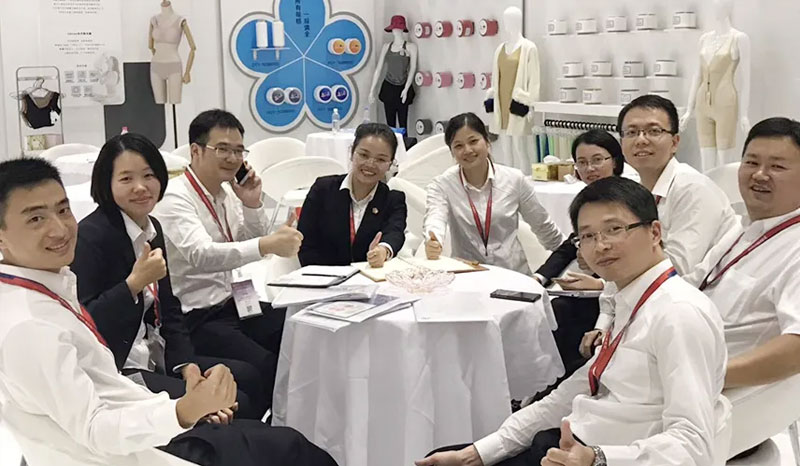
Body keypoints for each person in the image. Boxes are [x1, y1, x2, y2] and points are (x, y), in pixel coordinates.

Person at [0, 158, 337, 466]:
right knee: (290, 449)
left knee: (268, 417)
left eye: (63, 210)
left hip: (138, 409)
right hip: (121, 449)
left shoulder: (52, 281)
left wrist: (181, 400)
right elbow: (94, 426)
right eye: (35, 219)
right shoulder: (31, 323)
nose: (59, 229)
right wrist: (181, 411)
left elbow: (116, 372)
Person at [415, 177, 726, 466]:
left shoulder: (678, 314)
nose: (601, 245)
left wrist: (597, 458)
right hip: (573, 442)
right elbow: (572, 392)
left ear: (655, 232)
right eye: (588, 236)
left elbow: (694, 444)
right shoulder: (630, 300)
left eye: (614, 229)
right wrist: (478, 454)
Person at [71, 133, 266, 419]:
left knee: (247, 378)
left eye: (148, 176)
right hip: (121, 368)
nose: (140, 187)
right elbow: (86, 322)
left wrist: (187, 366)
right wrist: (133, 284)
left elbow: (169, 308)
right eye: (126, 179)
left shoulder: (152, 228)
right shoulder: (90, 237)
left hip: (158, 353)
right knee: (234, 403)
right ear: (106, 183)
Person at [152, 109, 303, 408]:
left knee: (295, 327)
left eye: (238, 151)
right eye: (222, 149)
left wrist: (251, 203)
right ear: (195, 151)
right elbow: (202, 254)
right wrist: (267, 244)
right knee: (264, 364)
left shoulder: (227, 192)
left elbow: (248, 239)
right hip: (195, 316)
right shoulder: (175, 196)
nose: (233, 158)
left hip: (234, 301)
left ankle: (297, 412)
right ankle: (271, 425)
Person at [571, 95, 739, 358]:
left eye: (653, 131)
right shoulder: (634, 192)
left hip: (694, 315)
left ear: (675, 142)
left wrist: (616, 326)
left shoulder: (693, 190)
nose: (641, 140)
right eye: (631, 132)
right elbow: (627, 264)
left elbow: (676, 270)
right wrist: (604, 324)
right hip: (649, 306)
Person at [684, 117, 800, 389]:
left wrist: (705, 379)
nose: (759, 174)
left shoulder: (795, 248)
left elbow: (796, 347)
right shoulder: (742, 228)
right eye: (751, 162)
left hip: (716, 390)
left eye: (777, 166)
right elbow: (694, 282)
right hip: (677, 359)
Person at [531, 129, 624, 374]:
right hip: (589, 288)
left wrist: (599, 282)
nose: (589, 168)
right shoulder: (587, 200)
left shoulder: (627, 200)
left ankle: (561, 379)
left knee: (559, 312)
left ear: (615, 161)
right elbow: (569, 246)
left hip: (617, 293)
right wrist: (540, 277)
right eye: (582, 162)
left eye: (597, 160)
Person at [424, 112, 563, 274]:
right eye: (458, 146)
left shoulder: (514, 180)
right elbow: (435, 217)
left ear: (487, 141)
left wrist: (569, 255)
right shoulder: (442, 185)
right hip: (468, 276)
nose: (467, 150)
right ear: (451, 151)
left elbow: (543, 226)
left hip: (513, 275)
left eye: (473, 141)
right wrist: (434, 239)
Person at [298, 122, 407, 267]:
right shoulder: (323, 189)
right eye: (364, 155)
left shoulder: (393, 199)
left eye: (381, 159)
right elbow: (305, 241)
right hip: (322, 275)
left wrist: (383, 250)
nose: (370, 164)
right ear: (351, 153)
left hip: (369, 275)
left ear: (390, 164)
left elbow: (394, 233)